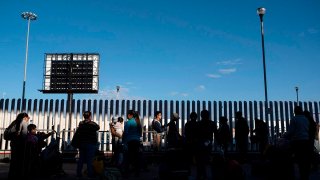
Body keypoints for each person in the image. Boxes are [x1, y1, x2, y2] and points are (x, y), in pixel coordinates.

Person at [285, 106, 311, 180]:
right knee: (304, 159)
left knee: (296, 159)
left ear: (295, 111)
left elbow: (291, 131)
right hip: (306, 140)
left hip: (297, 141)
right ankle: (305, 176)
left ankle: (295, 174)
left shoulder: (294, 119)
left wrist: (285, 135)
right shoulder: (306, 119)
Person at [76, 111, 100, 178]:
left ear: (84, 116)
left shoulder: (81, 123)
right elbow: (98, 127)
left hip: (82, 143)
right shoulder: (92, 124)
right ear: (90, 116)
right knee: (90, 160)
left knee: (81, 159)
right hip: (90, 144)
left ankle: (78, 174)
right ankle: (90, 174)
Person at [196, 109, 217, 179]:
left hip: (200, 144)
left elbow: (196, 135)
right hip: (208, 143)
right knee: (207, 159)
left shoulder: (198, 123)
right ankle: (205, 175)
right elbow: (216, 134)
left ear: (201, 115)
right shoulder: (212, 123)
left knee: (200, 160)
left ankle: (200, 174)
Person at [8, 112, 30, 179]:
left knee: (14, 160)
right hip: (20, 144)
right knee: (20, 160)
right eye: (28, 117)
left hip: (13, 143)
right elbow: (24, 134)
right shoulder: (24, 122)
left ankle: (11, 175)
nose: (28, 118)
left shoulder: (14, 122)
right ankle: (19, 175)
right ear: (25, 117)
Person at [122, 110, 142, 177]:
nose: (127, 116)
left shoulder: (128, 122)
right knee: (136, 157)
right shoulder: (138, 122)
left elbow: (125, 133)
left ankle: (126, 174)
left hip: (130, 142)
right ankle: (137, 173)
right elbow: (140, 134)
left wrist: (123, 142)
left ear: (130, 115)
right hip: (137, 141)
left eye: (127, 115)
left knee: (127, 158)